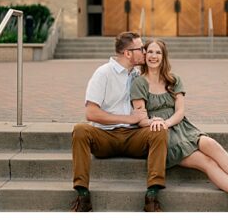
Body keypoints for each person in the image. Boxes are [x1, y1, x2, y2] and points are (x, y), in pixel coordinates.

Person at [131, 39, 228, 211]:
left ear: (163, 56)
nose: (153, 56)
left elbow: (180, 112)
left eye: (158, 52)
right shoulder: (139, 83)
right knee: (207, 162)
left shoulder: (173, 80)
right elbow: (140, 118)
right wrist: (156, 122)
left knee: (211, 144)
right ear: (145, 55)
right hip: (162, 137)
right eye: (150, 52)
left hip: (182, 128)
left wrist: (167, 122)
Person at [70, 31, 167, 212]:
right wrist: (127, 118)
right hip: (104, 136)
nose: (145, 53)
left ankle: (152, 196)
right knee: (80, 130)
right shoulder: (103, 73)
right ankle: (83, 196)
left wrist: (156, 119)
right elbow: (90, 113)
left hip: (133, 136)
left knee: (159, 131)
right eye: (141, 49)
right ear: (128, 53)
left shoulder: (138, 75)